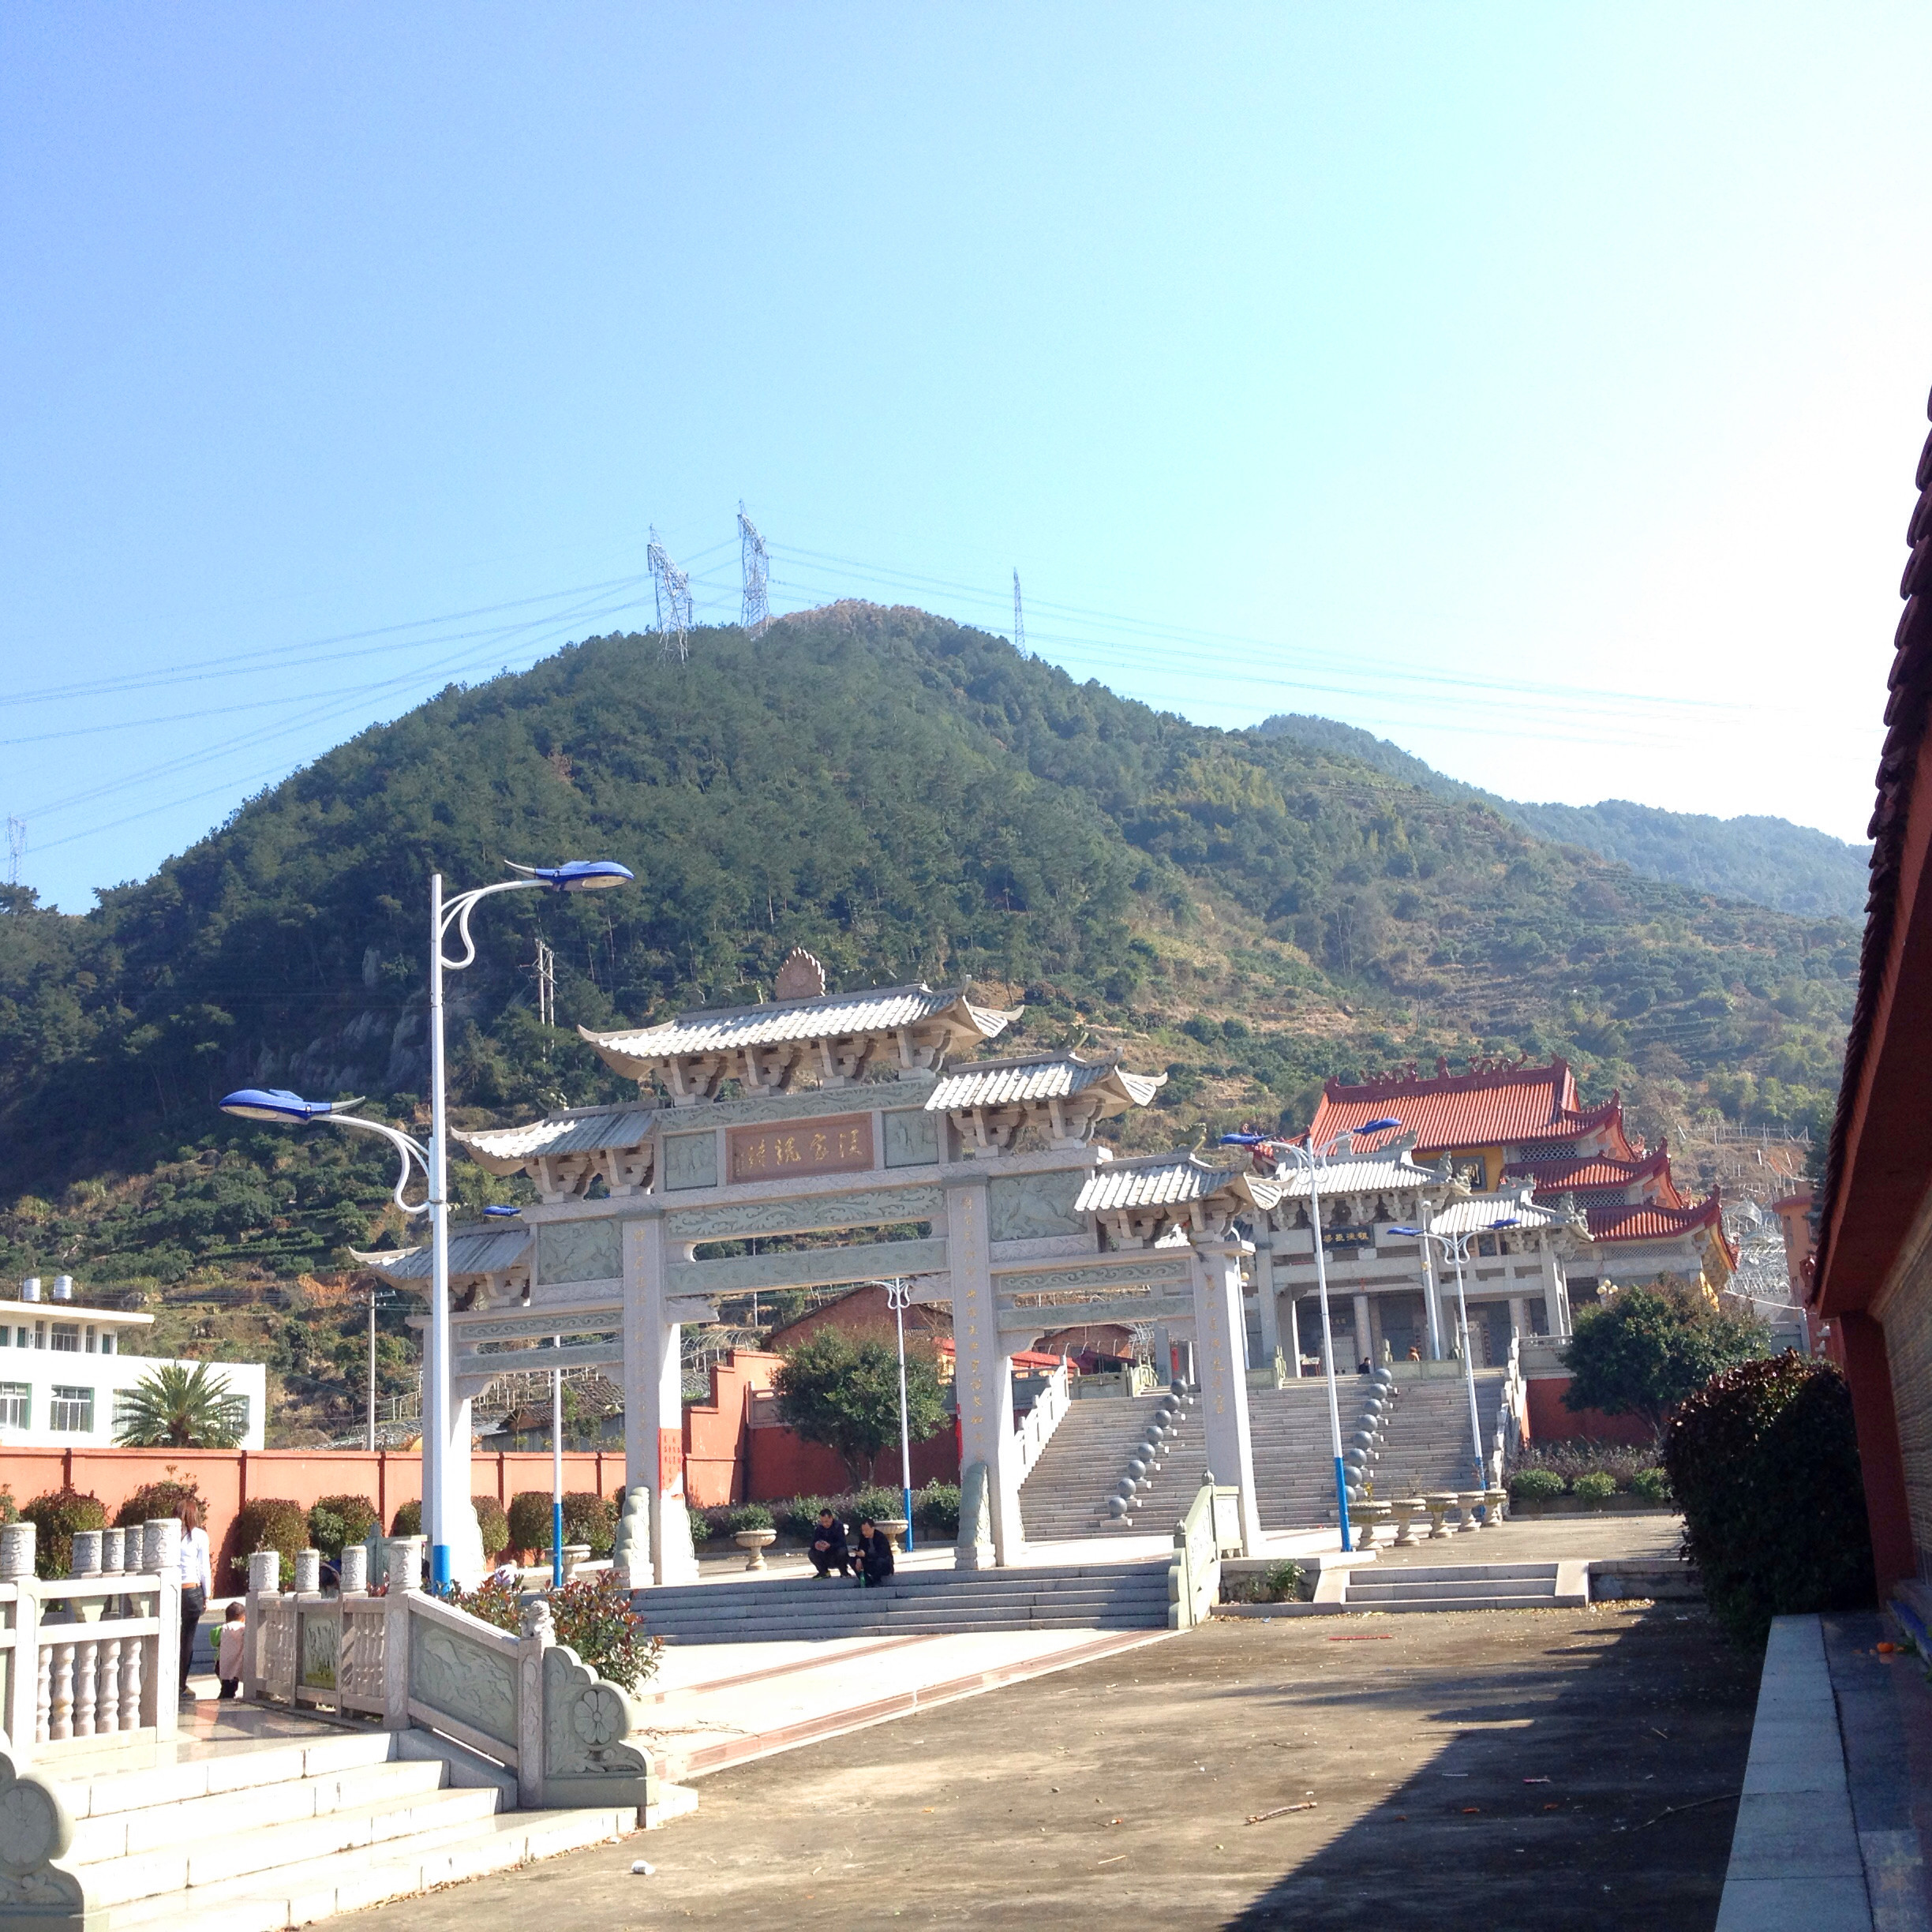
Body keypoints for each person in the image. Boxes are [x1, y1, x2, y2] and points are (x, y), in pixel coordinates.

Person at [177, 1498, 212, 1700]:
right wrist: (207, 1595)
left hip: (171, 1590)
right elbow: (204, 1569)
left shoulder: (168, 1535)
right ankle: (181, 1684)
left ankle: (166, 1681)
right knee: (187, 1639)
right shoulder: (199, 1536)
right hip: (191, 1591)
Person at [807, 1509, 851, 1579]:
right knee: (811, 1553)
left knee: (842, 1551)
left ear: (831, 1518)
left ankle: (844, 1572)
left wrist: (830, 1545)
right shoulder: (819, 1528)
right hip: (825, 1555)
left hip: (837, 1555)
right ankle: (824, 1572)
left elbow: (842, 1543)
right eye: (822, 1522)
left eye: (826, 1521)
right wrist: (817, 1545)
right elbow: (813, 1543)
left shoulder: (838, 1526)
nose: (824, 1524)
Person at [216, 1601, 246, 1701]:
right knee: (232, 1686)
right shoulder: (243, 1629)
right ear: (243, 1618)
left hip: (221, 1663)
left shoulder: (222, 1629)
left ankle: (224, 1697)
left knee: (225, 1685)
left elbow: (214, 1641)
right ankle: (225, 1699)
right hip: (236, 1665)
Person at [854, 1518, 894, 1589]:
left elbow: (882, 1554)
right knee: (853, 1561)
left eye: (866, 1530)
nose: (864, 1533)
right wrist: (858, 1558)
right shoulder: (863, 1537)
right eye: (863, 1530)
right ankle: (867, 1581)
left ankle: (877, 1581)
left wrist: (866, 1555)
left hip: (883, 1565)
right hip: (870, 1563)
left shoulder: (880, 1537)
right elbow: (860, 1549)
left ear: (872, 1529)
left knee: (880, 1561)